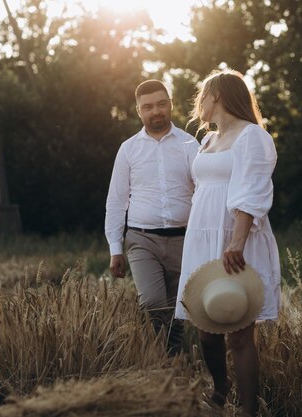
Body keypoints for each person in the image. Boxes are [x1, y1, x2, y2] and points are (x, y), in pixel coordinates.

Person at [174, 70, 281, 416]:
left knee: (238, 333)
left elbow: (252, 192)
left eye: (201, 96)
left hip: (236, 239)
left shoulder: (252, 137)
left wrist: (236, 241)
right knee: (207, 330)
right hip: (202, 237)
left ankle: (248, 410)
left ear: (216, 95)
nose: (198, 105)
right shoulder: (207, 141)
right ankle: (221, 391)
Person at [105, 80, 199, 355]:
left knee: (180, 306)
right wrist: (115, 248)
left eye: (160, 104)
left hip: (184, 239)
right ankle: (166, 359)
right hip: (141, 238)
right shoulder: (129, 149)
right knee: (154, 303)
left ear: (170, 105)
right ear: (139, 111)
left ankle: (171, 360)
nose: (155, 112)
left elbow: (203, 192)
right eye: (147, 107)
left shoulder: (189, 145)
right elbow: (116, 200)